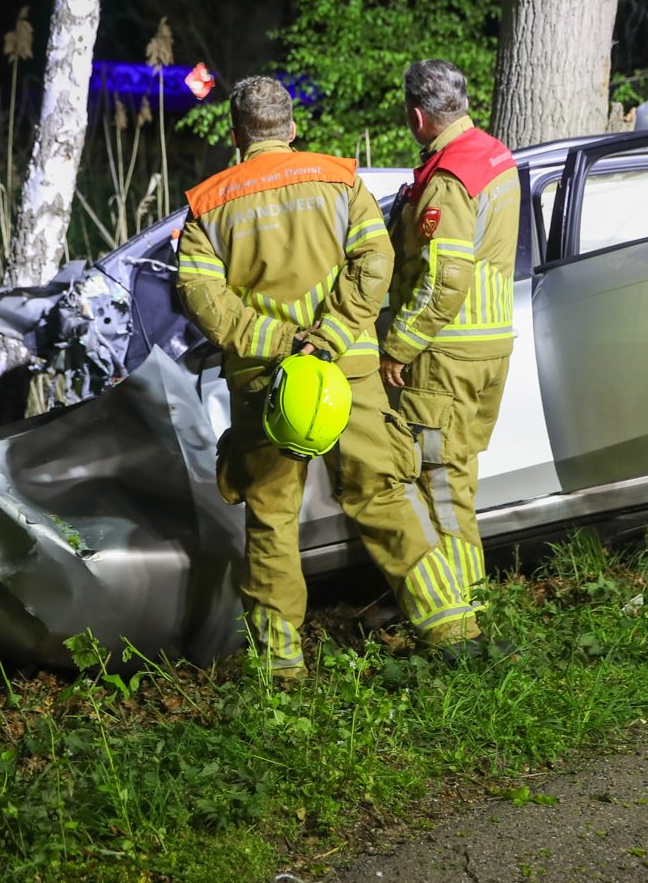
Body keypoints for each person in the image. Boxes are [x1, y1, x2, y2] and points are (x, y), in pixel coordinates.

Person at [177, 76, 476, 678]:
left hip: (267, 387)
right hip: (349, 372)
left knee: (272, 518)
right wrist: (330, 335)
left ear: (236, 136)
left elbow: (204, 301)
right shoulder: (339, 180)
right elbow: (376, 260)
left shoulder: (208, 206)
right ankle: (454, 632)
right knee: (384, 494)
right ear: (292, 129)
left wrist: (279, 343)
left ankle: (280, 669)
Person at [381, 59, 520, 652]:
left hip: (447, 355)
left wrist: (398, 345)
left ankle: (463, 627)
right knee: (458, 479)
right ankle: (470, 606)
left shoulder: (448, 179)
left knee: (441, 488)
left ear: (418, 116)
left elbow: (446, 279)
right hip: (488, 347)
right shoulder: (494, 155)